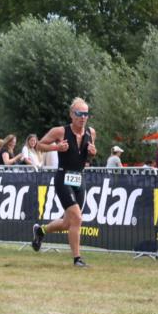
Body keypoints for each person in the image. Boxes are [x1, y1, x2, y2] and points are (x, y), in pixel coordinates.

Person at [32, 98, 97, 267]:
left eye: (86, 114)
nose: (83, 117)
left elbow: (88, 155)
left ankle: (41, 230)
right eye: (79, 114)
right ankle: (77, 259)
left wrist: (93, 152)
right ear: (71, 114)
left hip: (79, 178)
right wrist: (56, 148)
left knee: (69, 222)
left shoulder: (91, 132)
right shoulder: (59, 131)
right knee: (77, 217)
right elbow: (38, 145)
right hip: (63, 177)